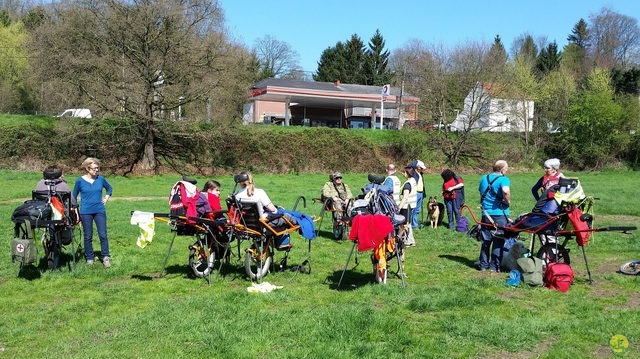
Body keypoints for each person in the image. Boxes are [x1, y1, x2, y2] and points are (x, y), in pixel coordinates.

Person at [234, 171, 292, 249]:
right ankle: (301, 224)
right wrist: (276, 211)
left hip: (245, 226)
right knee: (285, 217)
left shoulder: (236, 195)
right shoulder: (259, 192)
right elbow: (272, 209)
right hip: (262, 224)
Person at [72, 157, 113, 267]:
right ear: (87, 168)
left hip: (99, 210)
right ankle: (89, 258)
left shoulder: (101, 179)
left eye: (97, 168)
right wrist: (75, 209)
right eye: (94, 168)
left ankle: (105, 256)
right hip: (86, 212)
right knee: (88, 236)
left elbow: (109, 188)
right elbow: (74, 196)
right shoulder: (79, 181)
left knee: (103, 235)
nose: (96, 170)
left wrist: (106, 197)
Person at [477, 160, 511, 273]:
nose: (507, 170)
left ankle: (483, 265)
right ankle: (494, 267)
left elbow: (481, 192)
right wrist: (508, 201)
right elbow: (505, 191)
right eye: (506, 169)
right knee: (498, 241)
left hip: (486, 214)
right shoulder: (503, 179)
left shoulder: (484, 178)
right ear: (502, 170)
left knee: (486, 241)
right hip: (499, 215)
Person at [397, 166, 417, 247]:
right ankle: (411, 240)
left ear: (407, 173)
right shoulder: (413, 181)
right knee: (408, 223)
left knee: (405, 224)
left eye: (404, 172)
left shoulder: (407, 184)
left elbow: (405, 197)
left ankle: (407, 241)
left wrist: (399, 207)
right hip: (411, 205)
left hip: (406, 206)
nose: (403, 173)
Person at [410, 160, 427, 230]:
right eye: (421, 168)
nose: (423, 169)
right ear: (418, 167)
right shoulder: (414, 174)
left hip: (420, 193)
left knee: (417, 210)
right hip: (415, 193)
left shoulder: (420, 174)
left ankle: (414, 224)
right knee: (413, 210)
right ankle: (411, 224)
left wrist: (423, 194)